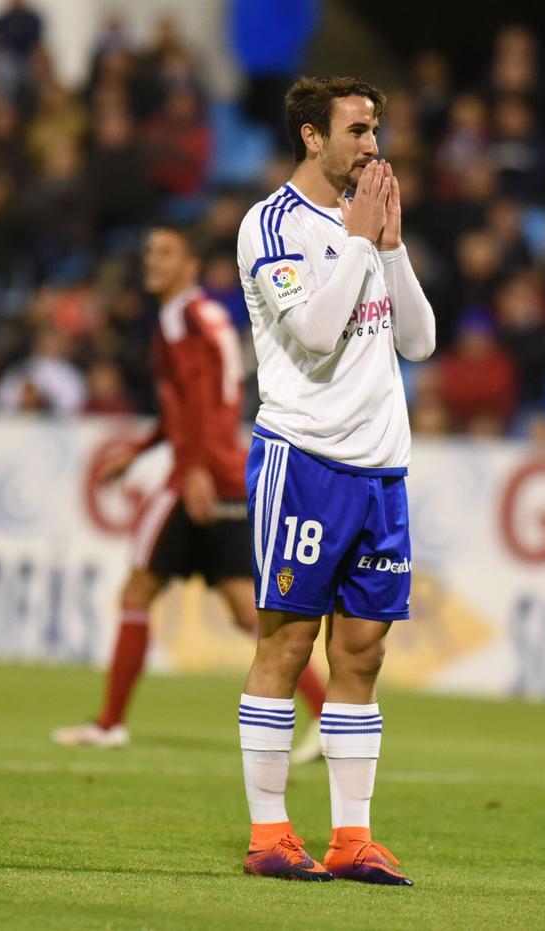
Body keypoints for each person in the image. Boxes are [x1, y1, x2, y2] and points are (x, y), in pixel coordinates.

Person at [235, 75, 435, 884]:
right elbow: (316, 337)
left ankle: (352, 837)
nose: (373, 144)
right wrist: (357, 240)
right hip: (305, 459)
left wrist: (389, 243)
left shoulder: (368, 222)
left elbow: (417, 342)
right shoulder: (270, 225)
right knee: (285, 644)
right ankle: (269, 832)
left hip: (382, 468)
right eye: (357, 130)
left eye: (376, 128)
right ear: (313, 137)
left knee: (362, 651)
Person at [52, 226, 327, 759]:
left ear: (190, 264)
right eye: (149, 251)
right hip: (225, 471)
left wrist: (194, 467)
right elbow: (189, 406)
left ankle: (109, 723)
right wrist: (142, 449)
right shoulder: (205, 316)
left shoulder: (183, 320)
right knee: (247, 609)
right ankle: (325, 716)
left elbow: (203, 401)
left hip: (194, 478)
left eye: (165, 253)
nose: (151, 261)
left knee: (138, 591)